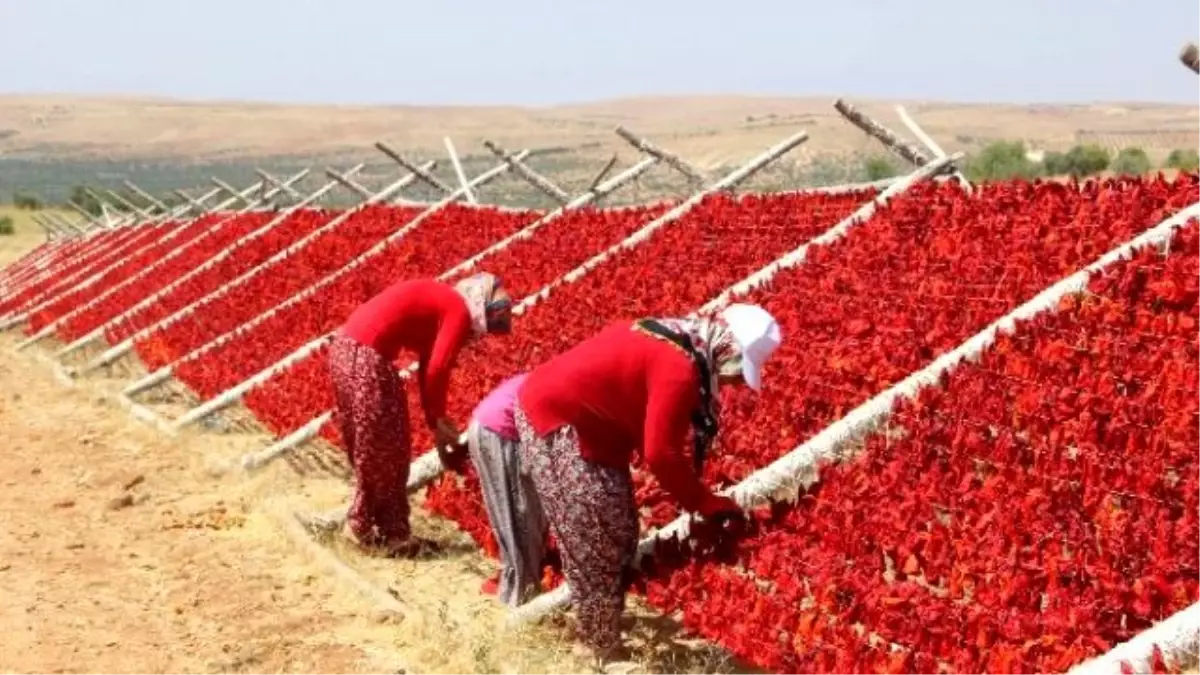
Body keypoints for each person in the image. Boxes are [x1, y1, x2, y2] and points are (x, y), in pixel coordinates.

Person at [514, 303, 782, 664]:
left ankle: (602, 627)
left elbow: (637, 402)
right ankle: (597, 650)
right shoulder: (680, 369)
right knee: (594, 535)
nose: (732, 383)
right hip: (560, 422)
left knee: (620, 527)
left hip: (589, 426)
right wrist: (704, 502)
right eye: (736, 373)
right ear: (727, 351)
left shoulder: (678, 340)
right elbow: (661, 454)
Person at [328, 272, 513, 558]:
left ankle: (390, 531)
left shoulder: (445, 305)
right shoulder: (458, 310)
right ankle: (363, 525)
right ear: (480, 305)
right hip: (364, 356)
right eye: (482, 327)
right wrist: (438, 420)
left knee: (387, 444)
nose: (474, 336)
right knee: (384, 448)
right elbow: (438, 368)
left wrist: (434, 421)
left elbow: (429, 364)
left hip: (347, 350)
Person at [462, 372, 549, 607]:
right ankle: (521, 593)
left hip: (484, 424)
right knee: (521, 512)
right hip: (501, 432)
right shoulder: (570, 385)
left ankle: (517, 579)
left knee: (511, 511)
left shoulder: (549, 373)